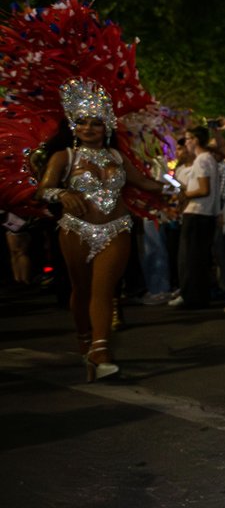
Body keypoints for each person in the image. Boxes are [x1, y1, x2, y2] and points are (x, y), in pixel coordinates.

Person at [36, 82, 170, 380]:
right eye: (82, 121)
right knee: (81, 289)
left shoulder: (118, 157)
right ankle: (84, 338)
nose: (88, 128)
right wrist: (61, 194)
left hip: (116, 228)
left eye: (96, 123)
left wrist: (174, 190)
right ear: (73, 125)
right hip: (76, 230)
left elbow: (144, 183)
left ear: (106, 126)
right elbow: (42, 190)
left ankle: (100, 350)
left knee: (104, 289)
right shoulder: (64, 157)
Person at [175, 126, 218, 309]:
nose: (186, 143)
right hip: (203, 213)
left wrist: (185, 194)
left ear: (195, 140)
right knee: (198, 258)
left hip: (197, 213)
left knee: (190, 259)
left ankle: (193, 297)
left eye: (188, 139)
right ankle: (198, 296)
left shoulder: (202, 160)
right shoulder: (207, 159)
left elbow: (203, 189)